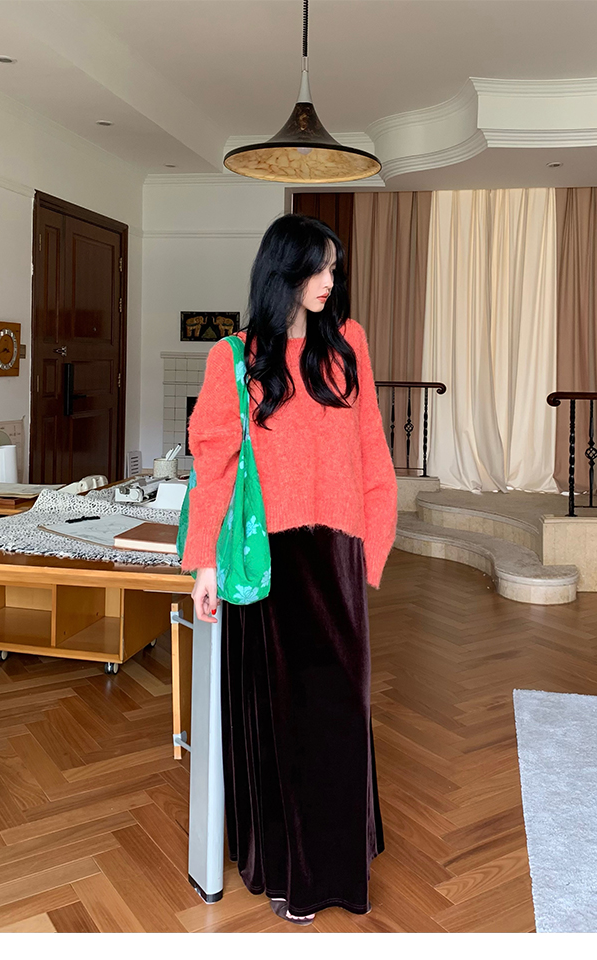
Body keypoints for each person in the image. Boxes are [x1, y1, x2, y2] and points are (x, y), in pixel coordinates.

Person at [180, 213, 398, 925]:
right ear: (284, 270)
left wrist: (372, 545)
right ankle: (284, 868)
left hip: (336, 553)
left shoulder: (349, 342)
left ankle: (337, 859)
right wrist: (203, 564)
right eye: (318, 267)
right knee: (278, 720)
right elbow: (213, 466)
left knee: (339, 712)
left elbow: (371, 447)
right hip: (266, 562)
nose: (330, 280)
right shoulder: (233, 358)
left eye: (334, 268)